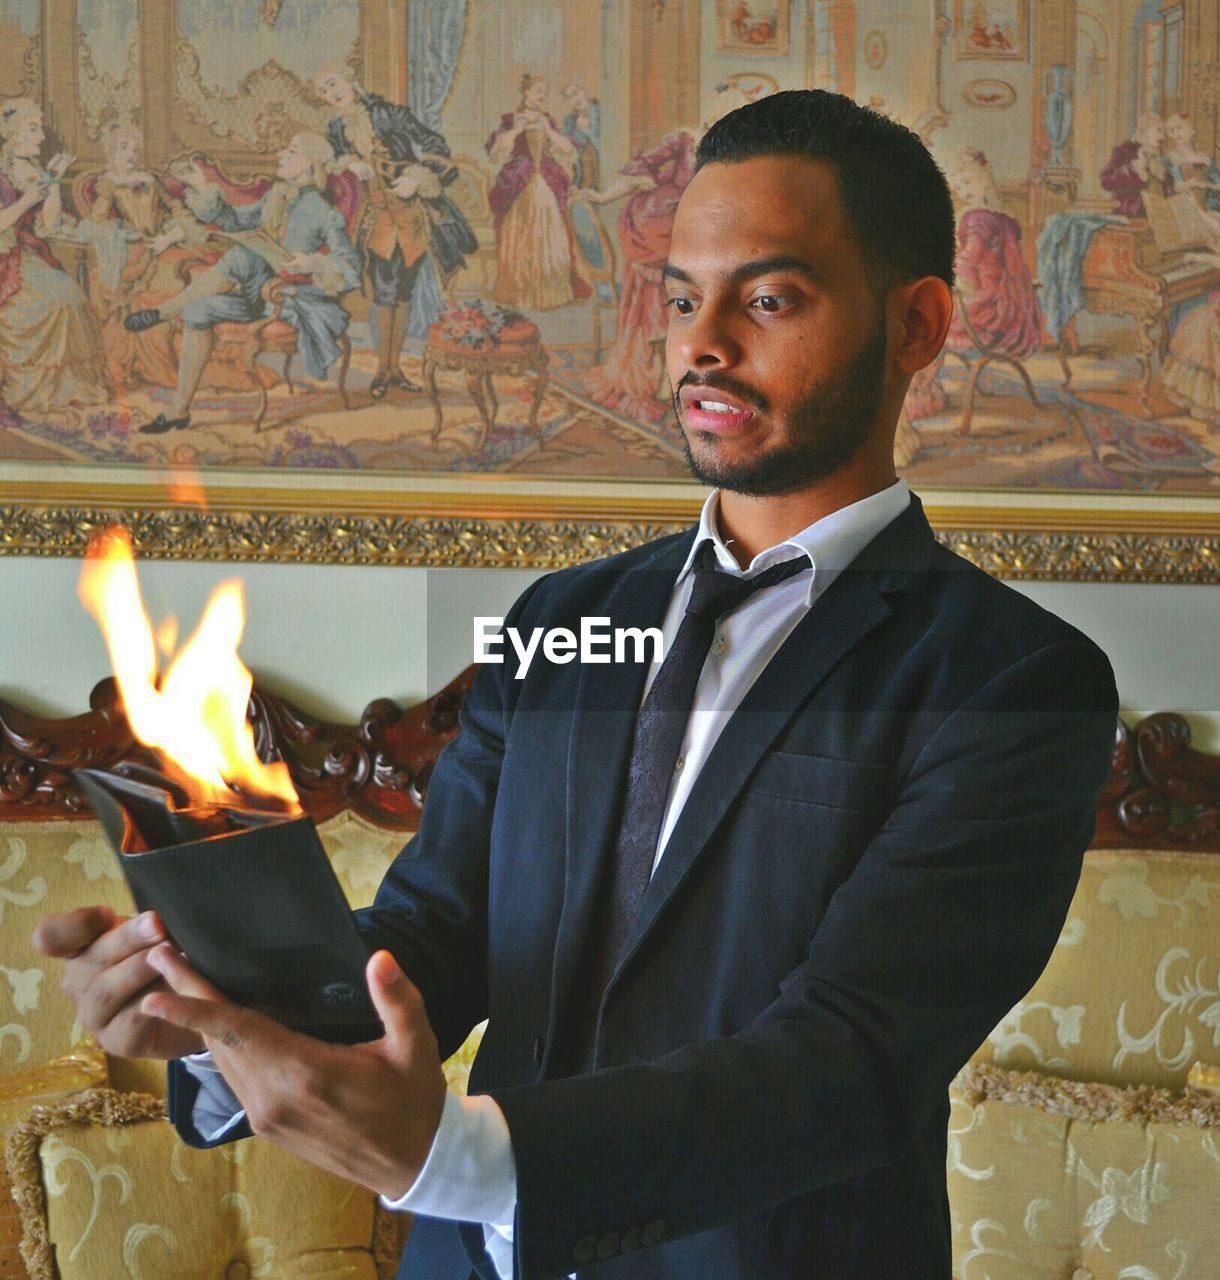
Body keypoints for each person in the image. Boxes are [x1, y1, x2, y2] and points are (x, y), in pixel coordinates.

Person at [37, 91, 1118, 1279]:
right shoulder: (563, 621)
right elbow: (439, 930)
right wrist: (217, 1016)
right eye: (677, 297)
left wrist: (458, 1157)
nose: (700, 344)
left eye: (766, 298)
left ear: (916, 324)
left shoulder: (1013, 679)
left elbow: (851, 1056)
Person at [123, 131, 361, 435]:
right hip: (256, 294)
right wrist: (200, 186)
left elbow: (351, 267)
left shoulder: (324, 213)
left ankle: (164, 312)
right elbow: (234, 221)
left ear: (308, 164)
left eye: (291, 150)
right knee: (197, 310)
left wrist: (314, 263)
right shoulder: (276, 196)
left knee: (242, 257)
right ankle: (177, 411)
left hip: (291, 300)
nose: (281, 155)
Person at [314, 63, 477, 399]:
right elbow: (327, 172)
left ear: (351, 79)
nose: (332, 94)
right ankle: (382, 368)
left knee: (403, 291)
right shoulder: (334, 129)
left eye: (333, 84)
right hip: (373, 219)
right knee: (383, 292)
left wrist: (415, 178)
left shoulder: (391, 114)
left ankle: (395, 369)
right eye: (323, 91)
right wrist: (346, 163)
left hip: (414, 215)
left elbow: (436, 146)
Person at [579, 129, 698, 426]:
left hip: (689, 218)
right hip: (660, 219)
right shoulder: (686, 137)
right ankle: (659, 377)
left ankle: (671, 376)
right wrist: (604, 196)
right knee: (666, 292)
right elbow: (646, 165)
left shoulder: (732, 144)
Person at [0, 97, 108, 415]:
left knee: (70, 296)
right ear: (14, 134)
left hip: (27, 252)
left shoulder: (33, 170)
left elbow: (48, 222)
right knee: (47, 305)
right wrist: (26, 200)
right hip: (4, 256)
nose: (42, 137)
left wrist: (53, 182)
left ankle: (67, 386)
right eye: (33, 129)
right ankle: (32, 389)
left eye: (40, 129)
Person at [85, 122, 211, 391]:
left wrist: (173, 233)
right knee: (116, 288)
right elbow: (98, 219)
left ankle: (169, 363)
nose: (131, 153)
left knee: (172, 287)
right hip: (132, 249)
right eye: (124, 147)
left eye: (135, 148)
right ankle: (136, 361)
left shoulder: (150, 180)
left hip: (161, 243)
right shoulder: (109, 183)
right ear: (110, 150)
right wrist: (124, 235)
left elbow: (175, 207)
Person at [486, 74, 585, 311]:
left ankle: (548, 292)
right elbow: (496, 150)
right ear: (526, 92)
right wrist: (517, 129)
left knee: (550, 231)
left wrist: (548, 130)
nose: (542, 96)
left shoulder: (546, 119)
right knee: (521, 232)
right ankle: (521, 291)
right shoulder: (511, 119)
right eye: (538, 91)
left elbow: (567, 148)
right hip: (520, 179)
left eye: (544, 92)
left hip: (546, 180)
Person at [1099, 115, 1167, 218]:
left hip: (1156, 217)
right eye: (1159, 130)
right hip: (1130, 215)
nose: (1163, 137)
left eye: (1164, 133)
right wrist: (1134, 169)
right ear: (1145, 131)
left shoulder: (1160, 160)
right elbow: (1106, 181)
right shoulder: (1125, 152)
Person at [561, 80, 602, 190]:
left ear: (583, 92)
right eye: (569, 97)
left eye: (575, 93)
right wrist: (580, 131)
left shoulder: (601, 111)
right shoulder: (569, 121)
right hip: (583, 174)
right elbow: (569, 149)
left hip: (604, 165)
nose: (575, 99)